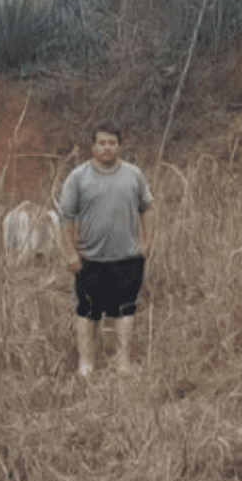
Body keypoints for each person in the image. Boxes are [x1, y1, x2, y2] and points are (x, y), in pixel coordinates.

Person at [58, 121, 155, 376]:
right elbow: (66, 217)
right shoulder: (77, 178)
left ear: (120, 146)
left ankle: (122, 362)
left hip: (128, 257)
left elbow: (148, 208)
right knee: (87, 313)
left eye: (113, 143)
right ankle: (86, 364)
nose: (107, 147)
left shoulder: (134, 174)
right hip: (89, 259)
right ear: (92, 147)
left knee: (125, 310)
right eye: (102, 142)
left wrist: (146, 244)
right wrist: (70, 253)